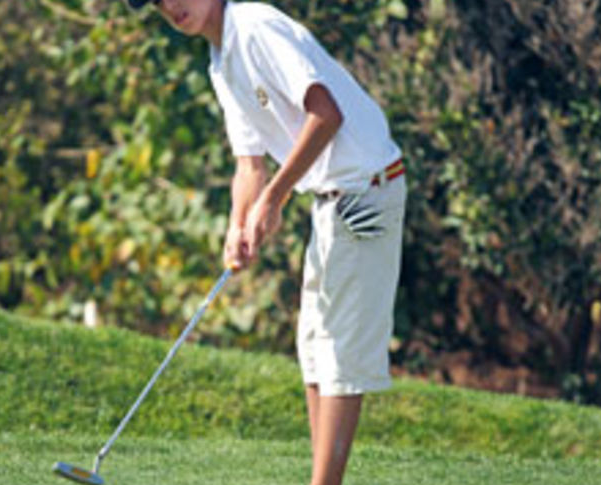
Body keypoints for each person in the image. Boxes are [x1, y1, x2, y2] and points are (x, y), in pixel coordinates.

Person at [127, 1, 407, 484]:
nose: (171, 6)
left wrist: (274, 200)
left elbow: (326, 115)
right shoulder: (220, 60)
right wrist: (238, 225)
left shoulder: (255, 27)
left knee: (339, 355)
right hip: (332, 197)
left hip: (367, 189)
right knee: (316, 349)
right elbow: (248, 165)